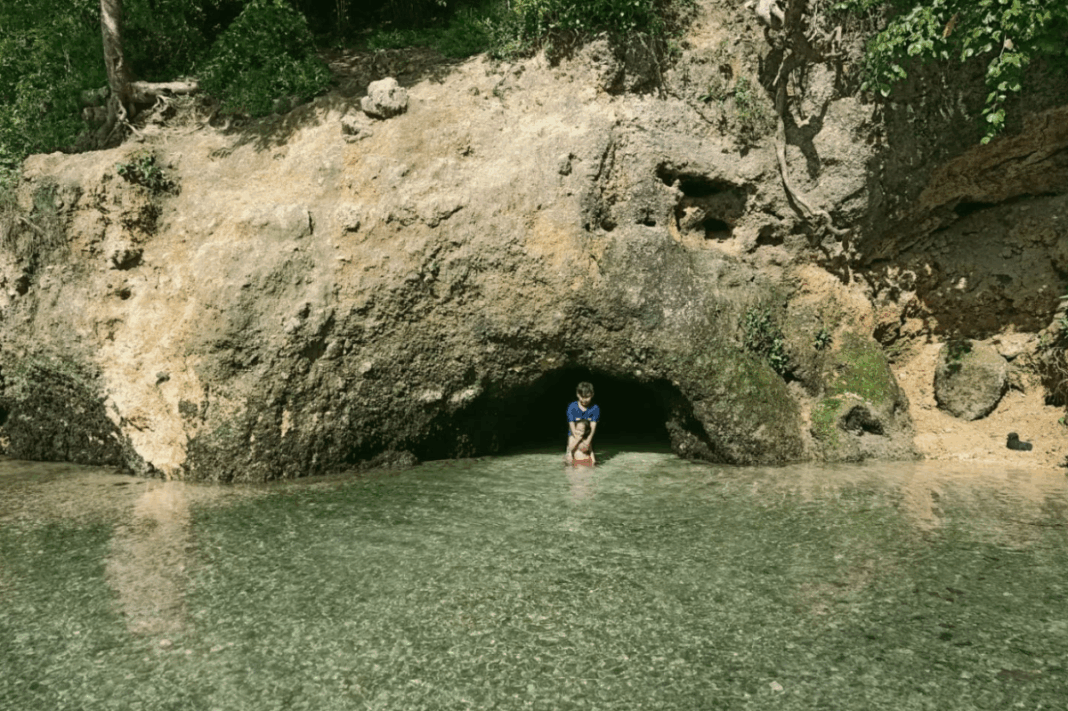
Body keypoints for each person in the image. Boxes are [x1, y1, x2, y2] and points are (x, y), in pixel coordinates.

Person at [565, 381, 599, 464]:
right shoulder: (572, 407)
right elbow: (571, 425)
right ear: (577, 394)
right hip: (574, 434)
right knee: (570, 459)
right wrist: (577, 439)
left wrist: (587, 442)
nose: (584, 400)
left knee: (590, 459)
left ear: (592, 394)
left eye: (587, 397)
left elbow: (593, 426)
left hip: (586, 435)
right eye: (582, 397)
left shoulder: (595, 408)